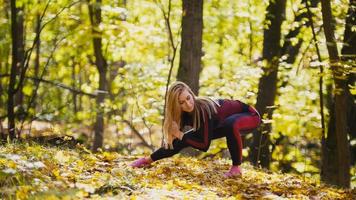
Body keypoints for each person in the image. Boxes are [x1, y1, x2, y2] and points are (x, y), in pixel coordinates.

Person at [130, 81, 261, 178]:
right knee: (185, 138)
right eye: (181, 103)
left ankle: (236, 168)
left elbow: (204, 145)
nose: (188, 104)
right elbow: (176, 143)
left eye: (188, 98)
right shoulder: (182, 115)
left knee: (229, 124)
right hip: (223, 125)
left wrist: (180, 135)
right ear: (176, 105)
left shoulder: (203, 109)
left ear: (191, 94)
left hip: (249, 116)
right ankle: (146, 161)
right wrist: (149, 159)